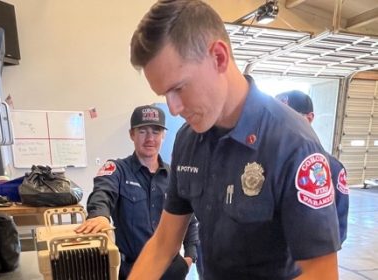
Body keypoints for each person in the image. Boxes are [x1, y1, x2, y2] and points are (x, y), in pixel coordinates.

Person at [128, 0, 341, 279]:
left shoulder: (292, 144)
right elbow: (163, 243)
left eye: (179, 88)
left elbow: (322, 273)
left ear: (218, 57)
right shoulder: (188, 140)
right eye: (164, 95)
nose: (174, 108)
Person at [75, 105, 199, 279]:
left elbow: (190, 220)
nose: (150, 138)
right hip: (131, 270)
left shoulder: (174, 176)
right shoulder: (117, 170)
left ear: (163, 135)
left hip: (171, 270)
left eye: (156, 132)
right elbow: (103, 193)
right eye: (142, 131)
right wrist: (100, 215)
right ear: (131, 134)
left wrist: (189, 257)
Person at [276, 90, 349, 243]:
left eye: (289, 117)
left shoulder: (331, 168)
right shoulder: (261, 163)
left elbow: (336, 231)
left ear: (309, 118)